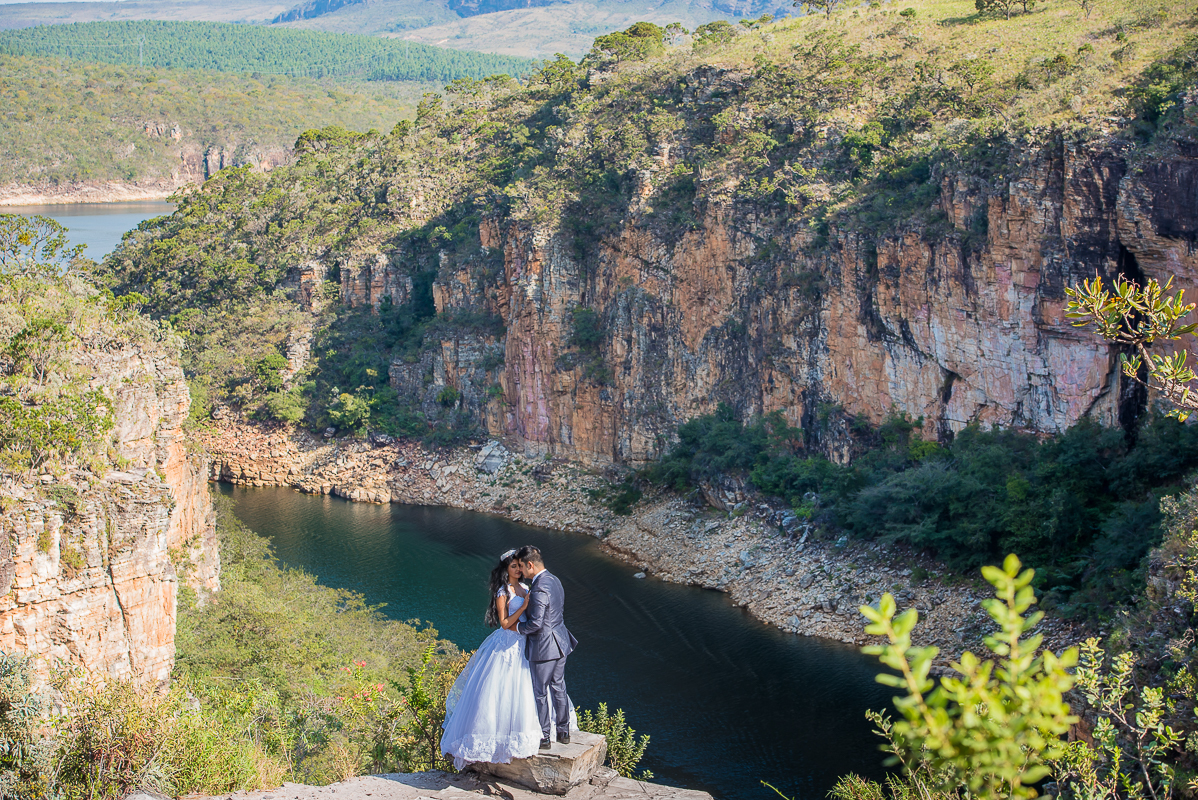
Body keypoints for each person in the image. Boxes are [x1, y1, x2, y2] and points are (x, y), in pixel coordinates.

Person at [440, 548, 575, 770]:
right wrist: (523, 607)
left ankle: (544, 731)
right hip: (511, 642)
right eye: (514, 566)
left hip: (528, 642)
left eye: (520, 566)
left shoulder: (527, 587)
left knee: (533, 688)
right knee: (511, 689)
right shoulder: (503, 592)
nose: (519, 570)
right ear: (507, 570)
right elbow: (504, 623)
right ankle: (518, 736)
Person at [514, 544, 578, 749]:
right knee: (558, 686)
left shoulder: (539, 587)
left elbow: (536, 623)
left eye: (522, 567)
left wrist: (517, 627)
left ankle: (544, 737)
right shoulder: (554, 580)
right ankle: (563, 732)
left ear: (530, 564)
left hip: (544, 647)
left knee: (540, 691)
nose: (521, 572)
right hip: (561, 641)